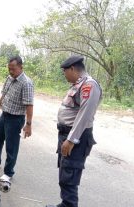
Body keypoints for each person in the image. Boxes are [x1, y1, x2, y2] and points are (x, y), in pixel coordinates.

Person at [46, 55, 102, 207]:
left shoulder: (89, 85)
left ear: (72, 68)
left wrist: (71, 140)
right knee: (65, 174)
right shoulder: (78, 84)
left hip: (76, 137)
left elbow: (85, 114)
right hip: (67, 134)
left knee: (69, 176)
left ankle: (69, 204)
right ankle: (66, 204)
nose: (64, 75)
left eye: (65, 71)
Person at [0, 55, 34, 182]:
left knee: (11, 147)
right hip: (5, 115)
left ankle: (8, 173)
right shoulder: (9, 78)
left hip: (15, 119)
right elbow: (4, 95)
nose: (11, 71)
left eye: (13, 69)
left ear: (20, 67)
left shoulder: (26, 83)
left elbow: (29, 105)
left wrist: (29, 124)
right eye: (9, 68)